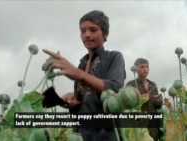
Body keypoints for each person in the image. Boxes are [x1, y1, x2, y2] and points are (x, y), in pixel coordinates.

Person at [43, 10, 126, 141]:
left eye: (93, 30)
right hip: (80, 134)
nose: (87, 35)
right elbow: (83, 105)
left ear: (105, 34)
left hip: (106, 134)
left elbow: (115, 89)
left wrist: (80, 76)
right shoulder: (82, 64)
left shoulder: (114, 57)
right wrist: (72, 103)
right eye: (83, 31)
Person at [126, 58, 163, 141]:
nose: (145, 69)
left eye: (147, 66)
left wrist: (159, 100)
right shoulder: (130, 85)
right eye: (142, 67)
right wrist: (141, 97)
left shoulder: (153, 85)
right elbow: (127, 105)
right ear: (136, 69)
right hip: (140, 123)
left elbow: (157, 106)